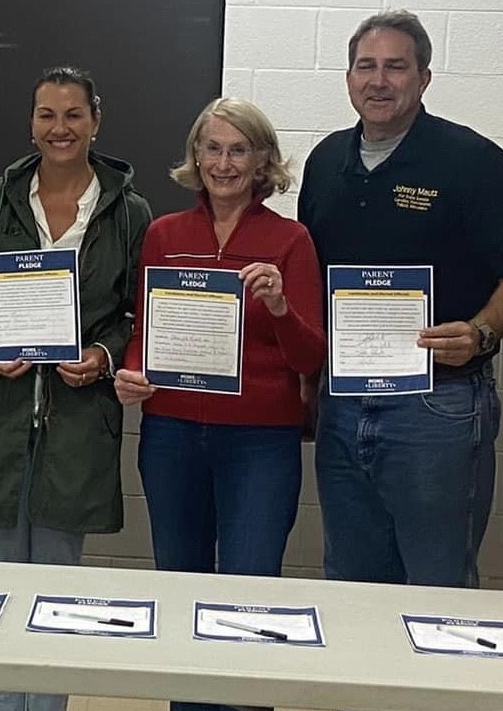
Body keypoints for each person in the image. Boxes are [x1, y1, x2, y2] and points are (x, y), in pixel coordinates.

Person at [298, 9, 503, 589]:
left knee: (438, 586)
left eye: (395, 67)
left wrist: (481, 332)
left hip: (437, 406)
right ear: (348, 76)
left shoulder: (471, 161)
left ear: (424, 78)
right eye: (365, 66)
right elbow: (312, 277)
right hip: (344, 399)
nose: (378, 80)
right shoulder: (325, 161)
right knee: (351, 581)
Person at [0, 66, 152, 711]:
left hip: (78, 424)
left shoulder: (128, 211)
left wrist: (105, 354)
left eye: (73, 115)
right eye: (46, 115)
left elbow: (137, 312)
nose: (59, 128)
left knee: (58, 599)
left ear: (96, 121)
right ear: (31, 122)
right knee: (1, 596)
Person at [112, 97, 322, 711]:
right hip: (172, 434)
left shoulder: (290, 240)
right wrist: (130, 372)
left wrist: (282, 309)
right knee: (180, 592)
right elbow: (142, 336)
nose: (223, 163)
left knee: (248, 598)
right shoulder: (165, 234)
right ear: (195, 156)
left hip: (260, 442)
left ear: (261, 163)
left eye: (238, 150)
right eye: (212, 148)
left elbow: (311, 358)